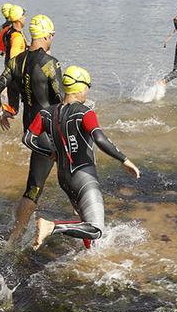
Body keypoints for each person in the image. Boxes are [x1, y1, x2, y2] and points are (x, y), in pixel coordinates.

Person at [21, 66, 141, 250]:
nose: (88, 91)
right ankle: (51, 227)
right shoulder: (85, 112)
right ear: (79, 88)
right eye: (88, 86)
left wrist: (50, 153)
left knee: (84, 219)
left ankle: (90, 254)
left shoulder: (46, 113)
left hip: (64, 178)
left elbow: (28, 139)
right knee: (96, 229)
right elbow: (99, 138)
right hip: (83, 175)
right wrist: (124, 159)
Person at [0, 14, 64, 243]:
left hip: (32, 134)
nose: (52, 39)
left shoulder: (15, 61)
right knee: (78, 179)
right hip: (53, 132)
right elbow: (63, 99)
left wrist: (2, 112)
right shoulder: (50, 64)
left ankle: (15, 236)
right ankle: (89, 230)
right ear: (47, 35)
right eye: (52, 35)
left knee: (33, 187)